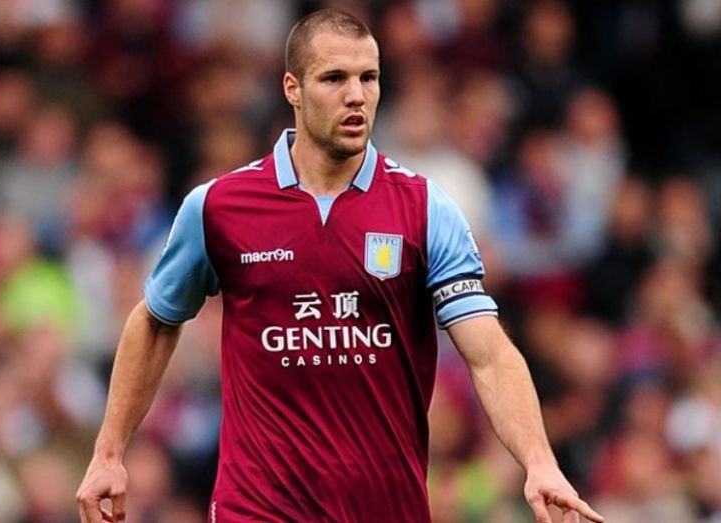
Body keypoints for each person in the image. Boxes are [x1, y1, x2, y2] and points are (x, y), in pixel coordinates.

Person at [76, 9, 604, 523]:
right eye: (334, 78)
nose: (357, 95)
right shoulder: (217, 207)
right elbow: (156, 322)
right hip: (257, 507)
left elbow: (487, 352)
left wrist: (539, 462)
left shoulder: (424, 208)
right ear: (293, 88)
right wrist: (108, 452)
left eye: (368, 78)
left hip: (385, 507)